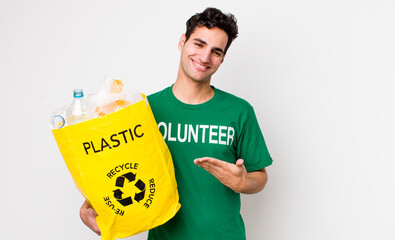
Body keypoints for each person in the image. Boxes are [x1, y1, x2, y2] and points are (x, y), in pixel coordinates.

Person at [80, 7, 273, 240]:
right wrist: (91, 202)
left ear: (222, 58)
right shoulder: (145, 109)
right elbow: (120, 167)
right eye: (199, 44)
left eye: (216, 51)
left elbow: (259, 177)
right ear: (183, 41)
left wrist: (243, 182)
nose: (204, 58)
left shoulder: (239, 111)